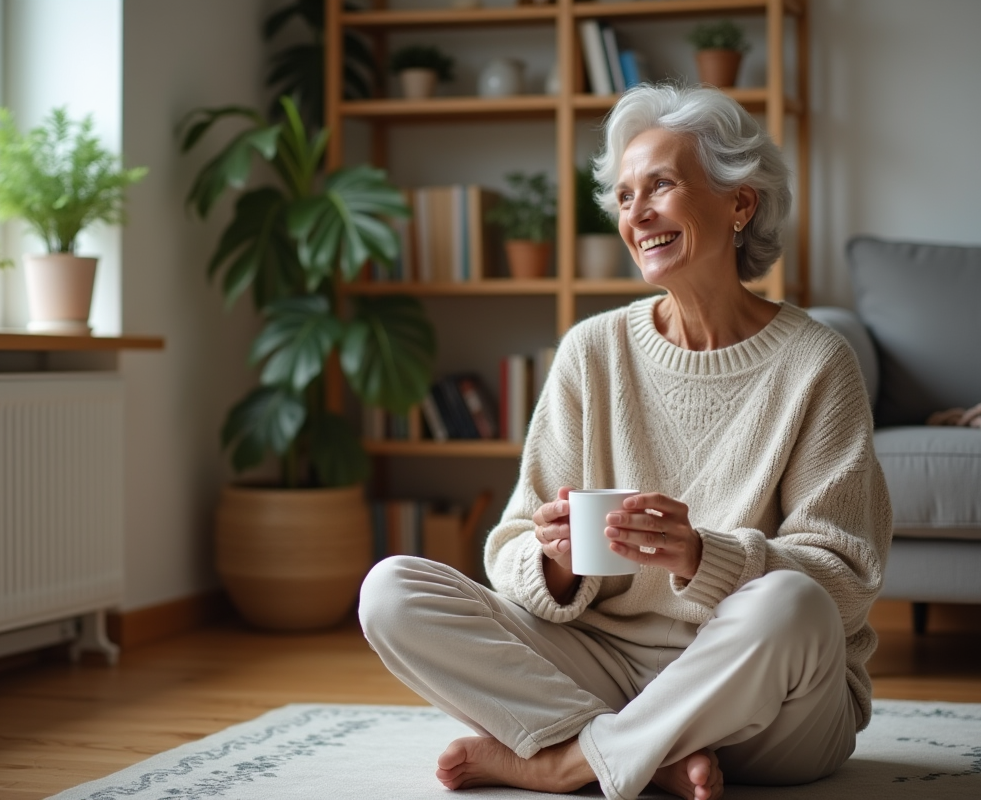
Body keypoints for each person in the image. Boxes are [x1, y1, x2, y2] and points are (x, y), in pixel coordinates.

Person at [358, 83, 892, 800]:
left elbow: (846, 578)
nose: (635, 214)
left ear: (741, 203)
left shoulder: (817, 362)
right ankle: (646, 757)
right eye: (625, 196)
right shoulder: (592, 351)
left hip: (769, 709)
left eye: (662, 186)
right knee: (389, 591)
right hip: (604, 667)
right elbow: (510, 547)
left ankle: (562, 762)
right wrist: (555, 565)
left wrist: (705, 556)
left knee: (789, 603)